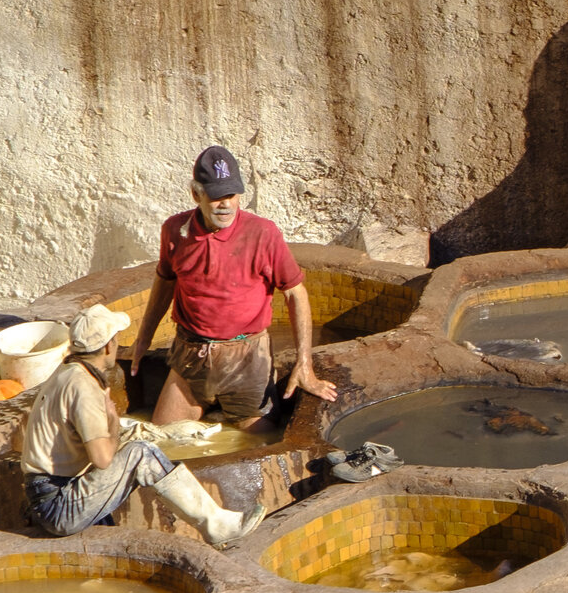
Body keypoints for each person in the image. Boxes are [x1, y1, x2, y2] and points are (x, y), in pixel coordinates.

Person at [22, 304, 266, 548]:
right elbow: (103, 460)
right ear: (108, 346)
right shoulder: (83, 388)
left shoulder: (65, 372)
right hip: (59, 504)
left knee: (130, 453)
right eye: (116, 340)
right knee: (141, 452)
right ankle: (216, 526)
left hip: (51, 495)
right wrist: (113, 420)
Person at [129, 145, 337, 432]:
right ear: (196, 194)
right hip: (191, 355)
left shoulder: (262, 233)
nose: (225, 204)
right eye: (216, 197)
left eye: (231, 195)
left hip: (246, 359)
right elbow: (165, 281)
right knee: (163, 437)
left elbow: (295, 293)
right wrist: (143, 340)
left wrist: (305, 363)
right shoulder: (175, 231)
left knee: (259, 440)